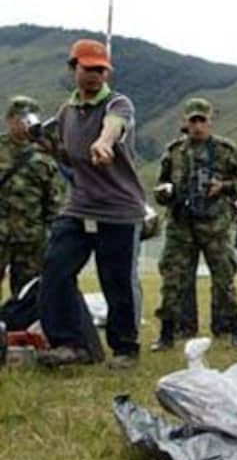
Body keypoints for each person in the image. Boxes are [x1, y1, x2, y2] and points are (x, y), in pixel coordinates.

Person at [37, 39, 147, 369]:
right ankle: (71, 343)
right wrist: (45, 144)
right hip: (80, 205)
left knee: (116, 281)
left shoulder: (118, 103)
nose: (95, 75)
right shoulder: (66, 112)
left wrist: (103, 141)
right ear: (74, 68)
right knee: (55, 270)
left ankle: (125, 348)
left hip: (119, 208)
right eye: (88, 68)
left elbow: (114, 126)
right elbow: (67, 155)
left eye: (101, 70)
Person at [152, 98, 237, 351]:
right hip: (181, 226)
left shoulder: (224, 150)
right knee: (173, 279)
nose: (197, 126)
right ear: (185, 122)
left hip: (215, 226)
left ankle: (234, 328)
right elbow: (161, 185)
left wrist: (224, 187)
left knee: (223, 279)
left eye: (202, 120)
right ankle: (168, 333)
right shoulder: (175, 151)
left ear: (211, 122)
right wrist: (166, 194)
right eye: (193, 120)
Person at [0, 96, 63, 300]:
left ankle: (19, 330)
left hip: (30, 238)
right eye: (18, 118)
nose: (22, 123)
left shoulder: (43, 156)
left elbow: (53, 199)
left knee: (27, 291)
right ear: (9, 119)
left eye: (27, 118)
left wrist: (51, 231)